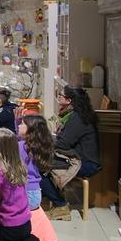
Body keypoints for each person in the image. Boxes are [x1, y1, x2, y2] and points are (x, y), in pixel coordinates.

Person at [41, 86, 100, 221]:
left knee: (38, 166)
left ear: (68, 100)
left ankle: (61, 205)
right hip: (77, 157)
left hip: (84, 163)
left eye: (60, 96)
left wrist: (41, 141)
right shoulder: (75, 114)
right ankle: (52, 197)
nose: (58, 98)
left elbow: (63, 144)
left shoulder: (77, 118)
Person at [18, 113, 54, 210]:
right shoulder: (39, 147)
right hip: (36, 194)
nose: (18, 126)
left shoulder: (21, 146)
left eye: (21, 124)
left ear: (29, 129)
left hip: (24, 194)